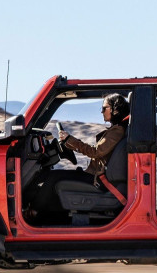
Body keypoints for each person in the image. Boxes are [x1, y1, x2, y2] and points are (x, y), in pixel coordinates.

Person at [25, 93, 130, 222]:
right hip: (97, 176)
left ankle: (33, 212)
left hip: (98, 180)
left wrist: (70, 140)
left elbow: (95, 152)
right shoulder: (116, 130)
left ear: (116, 109)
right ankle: (46, 218)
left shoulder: (117, 131)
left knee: (53, 177)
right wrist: (70, 142)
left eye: (104, 108)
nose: (102, 112)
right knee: (55, 179)